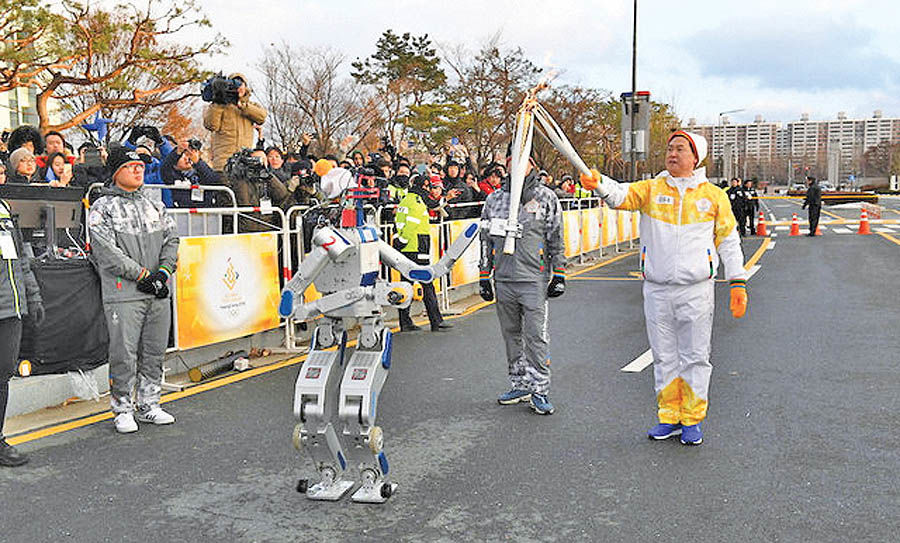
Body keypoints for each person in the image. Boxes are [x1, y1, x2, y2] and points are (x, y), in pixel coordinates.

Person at [580, 130, 748, 445]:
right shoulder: (651, 189)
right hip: (656, 289)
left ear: (695, 157)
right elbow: (619, 196)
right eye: (670, 149)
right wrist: (598, 182)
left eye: (680, 149)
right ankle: (669, 417)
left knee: (695, 356)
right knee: (664, 356)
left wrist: (737, 280)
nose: (672, 154)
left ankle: (692, 420)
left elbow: (728, 240)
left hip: (695, 289)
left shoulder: (713, 196)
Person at [88, 146, 179, 433]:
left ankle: (150, 403)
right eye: (131, 166)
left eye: (141, 165)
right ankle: (122, 407)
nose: (139, 169)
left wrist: (162, 273)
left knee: (154, 350)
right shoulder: (102, 207)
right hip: (123, 292)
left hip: (156, 290)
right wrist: (141, 275)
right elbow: (105, 251)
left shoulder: (155, 205)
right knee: (124, 353)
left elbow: (172, 240)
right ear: (116, 173)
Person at [479, 154, 565, 416]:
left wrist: (559, 273)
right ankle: (520, 383)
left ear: (532, 163)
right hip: (503, 279)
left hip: (533, 279)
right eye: (511, 158)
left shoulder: (546, 197)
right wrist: (484, 276)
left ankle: (540, 389)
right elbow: (484, 239)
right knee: (511, 335)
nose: (515, 163)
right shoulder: (494, 199)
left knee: (536, 336)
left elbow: (556, 236)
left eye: (521, 158)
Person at [0, 195, 44, 466]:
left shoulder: (3, 207)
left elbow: (21, 261)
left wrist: (34, 296)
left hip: (10, 309)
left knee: (2, 376)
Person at [202, 73, 268, 170]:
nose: (238, 87)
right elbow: (211, 125)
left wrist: (241, 105)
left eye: (241, 84)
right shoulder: (219, 106)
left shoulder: (250, 105)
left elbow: (262, 117)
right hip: (223, 162)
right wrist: (218, 102)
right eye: (234, 84)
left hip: (244, 163)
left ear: (246, 87)